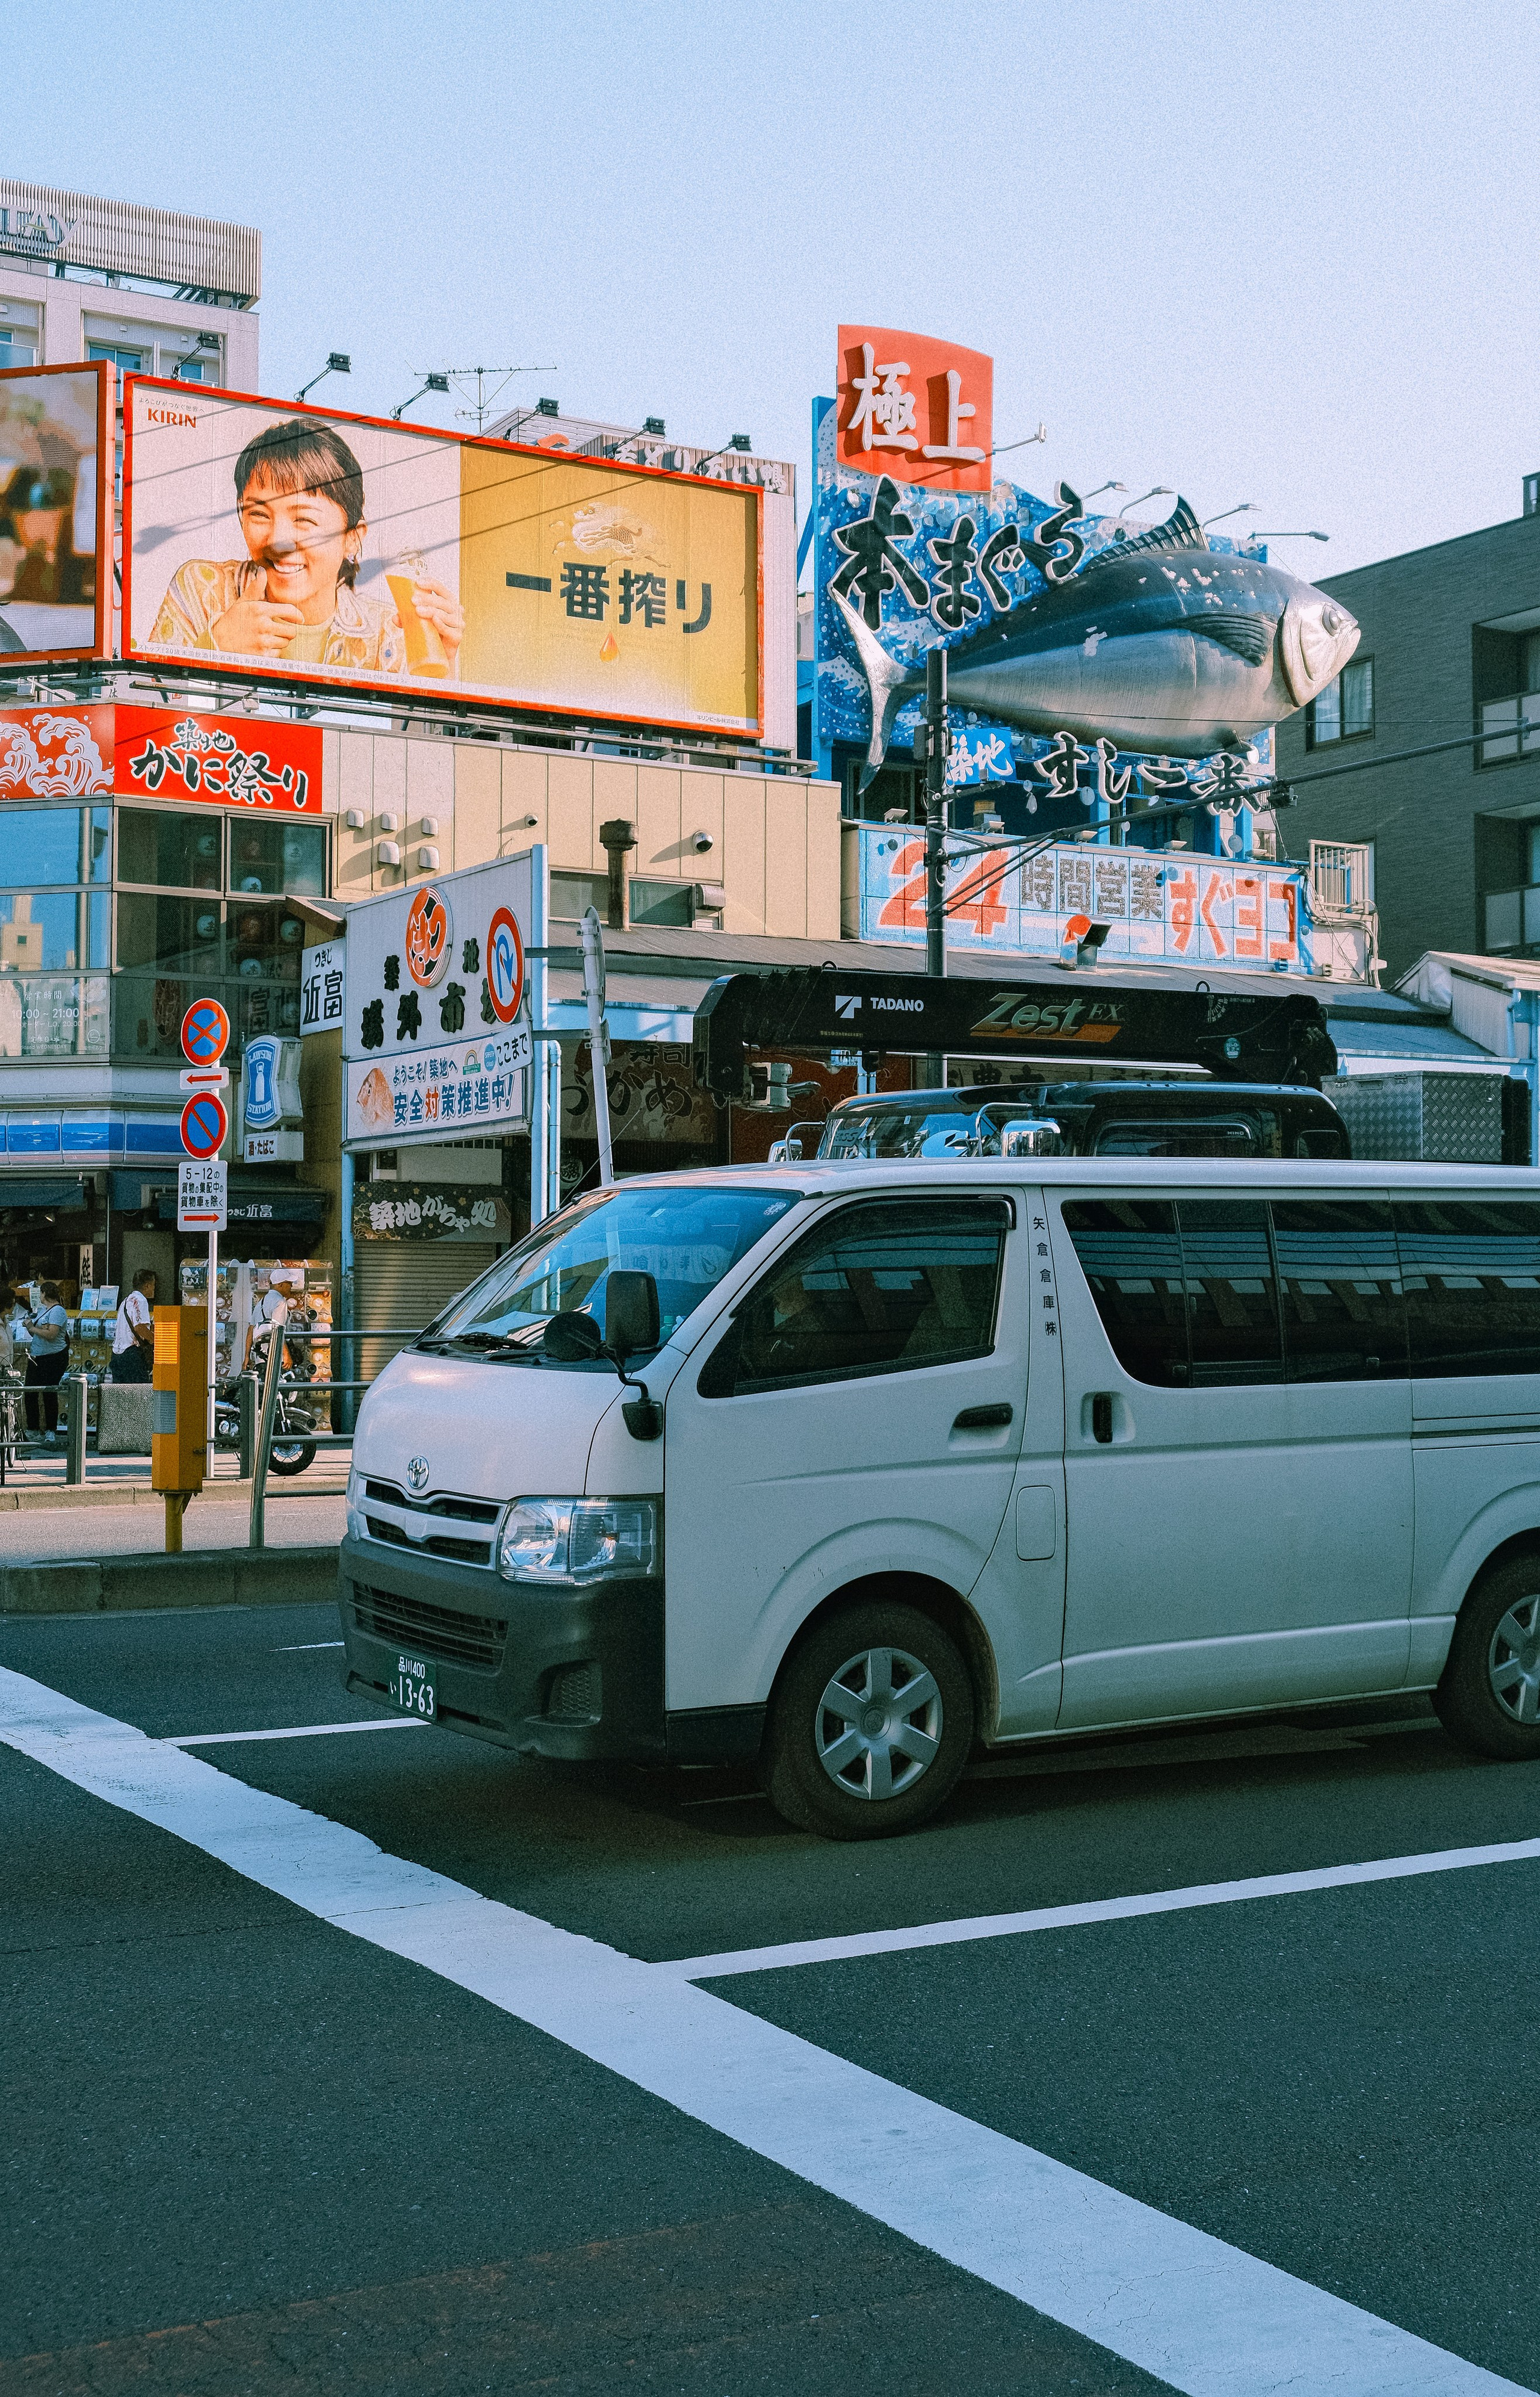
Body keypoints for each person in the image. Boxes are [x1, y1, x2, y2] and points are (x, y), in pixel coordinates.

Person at [146, 416, 463, 676]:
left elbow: (399, 747)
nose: (278, 541)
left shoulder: (386, 632)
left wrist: (440, 670)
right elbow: (142, 720)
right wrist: (214, 647)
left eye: (304, 521)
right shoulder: (202, 589)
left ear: (352, 537)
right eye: (259, 514)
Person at [23, 1280, 70, 1441]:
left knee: (49, 1392)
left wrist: (31, 1327)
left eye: (41, 1294)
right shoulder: (45, 1311)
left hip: (53, 1357)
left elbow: (51, 1334)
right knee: (30, 1392)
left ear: (44, 1294)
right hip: (37, 1356)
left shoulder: (58, 1311)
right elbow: (39, 1334)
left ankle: (51, 1429)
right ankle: (33, 1428)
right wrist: (34, 1329)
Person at [111, 1268, 156, 1386]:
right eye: (153, 1285)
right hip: (131, 1354)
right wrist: (155, 1341)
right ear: (147, 1285)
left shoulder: (126, 1301)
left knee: (121, 1394)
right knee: (139, 1393)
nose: (154, 1289)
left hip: (117, 1354)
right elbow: (139, 1327)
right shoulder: (141, 1300)